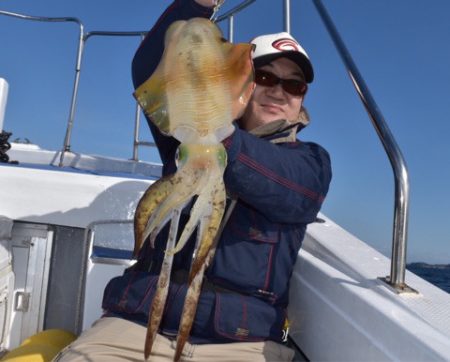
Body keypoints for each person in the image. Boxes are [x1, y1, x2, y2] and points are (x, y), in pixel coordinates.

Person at [55, 0, 331, 361]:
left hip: (241, 345)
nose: (280, 91)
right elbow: (150, 65)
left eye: (294, 86)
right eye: (265, 78)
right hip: (135, 327)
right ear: (240, 84)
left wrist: (215, 129)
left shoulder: (309, 163)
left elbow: (292, 191)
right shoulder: (179, 136)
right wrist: (198, 5)